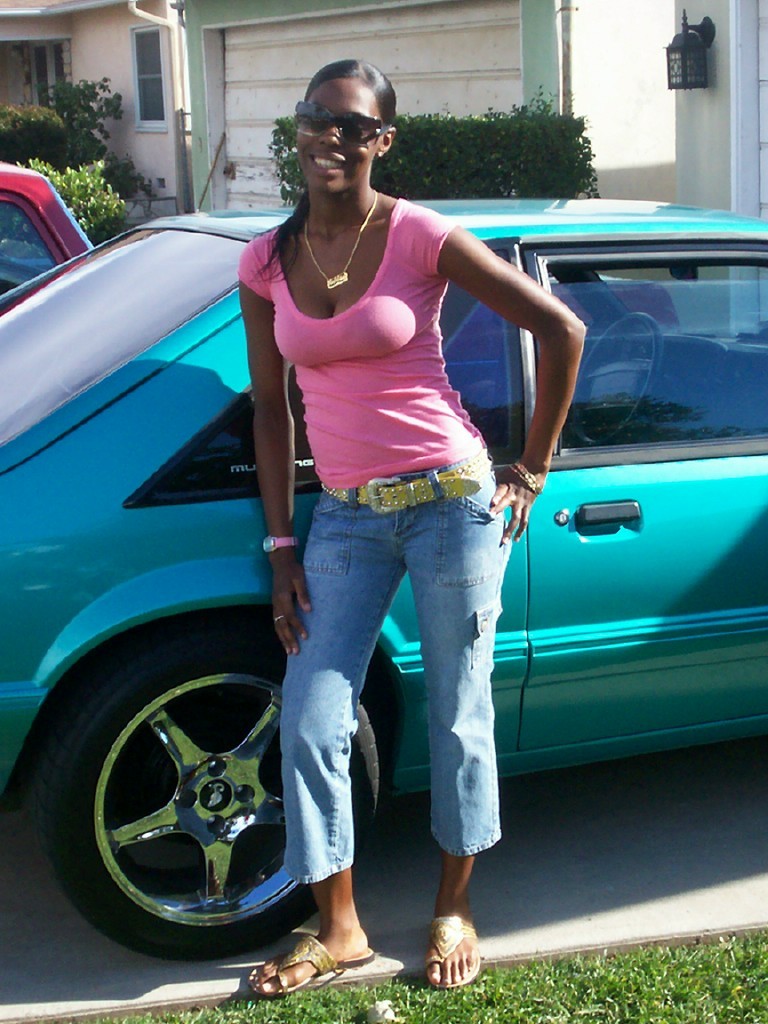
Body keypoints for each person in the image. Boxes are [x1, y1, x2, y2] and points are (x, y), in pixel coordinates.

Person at [239, 59, 585, 997]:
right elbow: (271, 410)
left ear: (382, 141)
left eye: (353, 126)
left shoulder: (419, 235)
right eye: (316, 118)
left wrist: (532, 467)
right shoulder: (265, 260)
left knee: (458, 712)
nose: (330, 137)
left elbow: (563, 332)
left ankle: (454, 906)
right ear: (298, 128)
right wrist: (281, 545)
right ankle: (340, 926)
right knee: (312, 715)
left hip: (450, 503)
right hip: (345, 518)